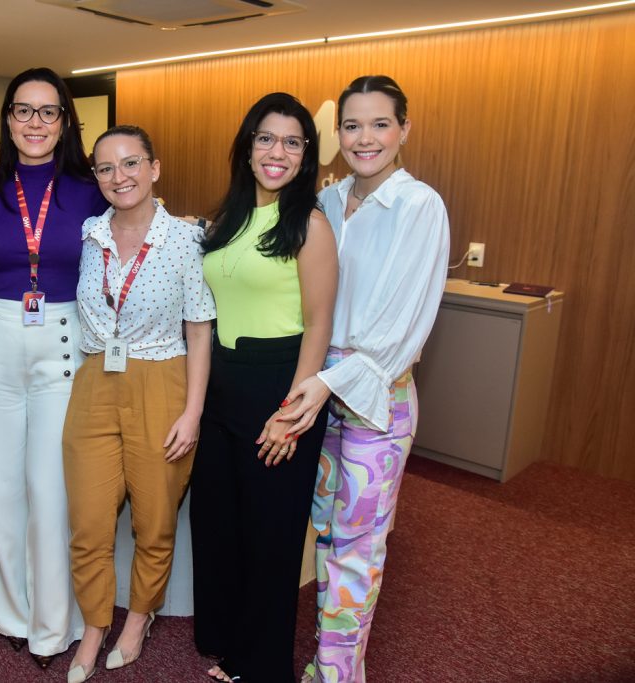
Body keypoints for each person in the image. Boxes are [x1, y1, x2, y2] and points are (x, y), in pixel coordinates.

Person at [278, 76, 449, 683]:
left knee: (360, 544)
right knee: (324, 534)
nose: (365, 138)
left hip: (376, 395)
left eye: (380, 124)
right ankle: (327, 654)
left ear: (404, 129)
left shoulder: (418, 205)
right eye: (352, 125)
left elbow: (401, 327)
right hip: (320, 387)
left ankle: (339, 675)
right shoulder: (325, 201)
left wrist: (325, 381)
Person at [190, 92, 338, 683]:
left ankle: (261, 666)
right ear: (247, 148)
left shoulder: (310, 224)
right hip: (224, 384)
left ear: (306, 156)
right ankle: (225, 638)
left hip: (280, 384)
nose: (278, 152)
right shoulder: (228, 218)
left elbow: (320, 325)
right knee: (219, 522)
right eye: (266, 139)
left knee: (270, 537)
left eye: (293, 142)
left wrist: (292, 411)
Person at [0, 67, 108, 668]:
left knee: (50, 488)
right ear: (7, 119)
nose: (35, 123)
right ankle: (6, 611)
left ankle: (52, 624)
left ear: (66, 123)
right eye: (23, 110)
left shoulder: (89, 187)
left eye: (48, 112)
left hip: (64, 339)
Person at [62, 125, 215, 683]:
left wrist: (192, 412)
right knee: (88, 522)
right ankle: (95, 625)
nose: (118, 176)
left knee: (154, 522)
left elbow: (199, 331)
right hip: (95, 381)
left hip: (163, 382)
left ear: (154, 168)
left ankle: (138, 620)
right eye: (105, 168)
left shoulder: (186, 239)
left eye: (131, 164)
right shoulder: (89, 233)